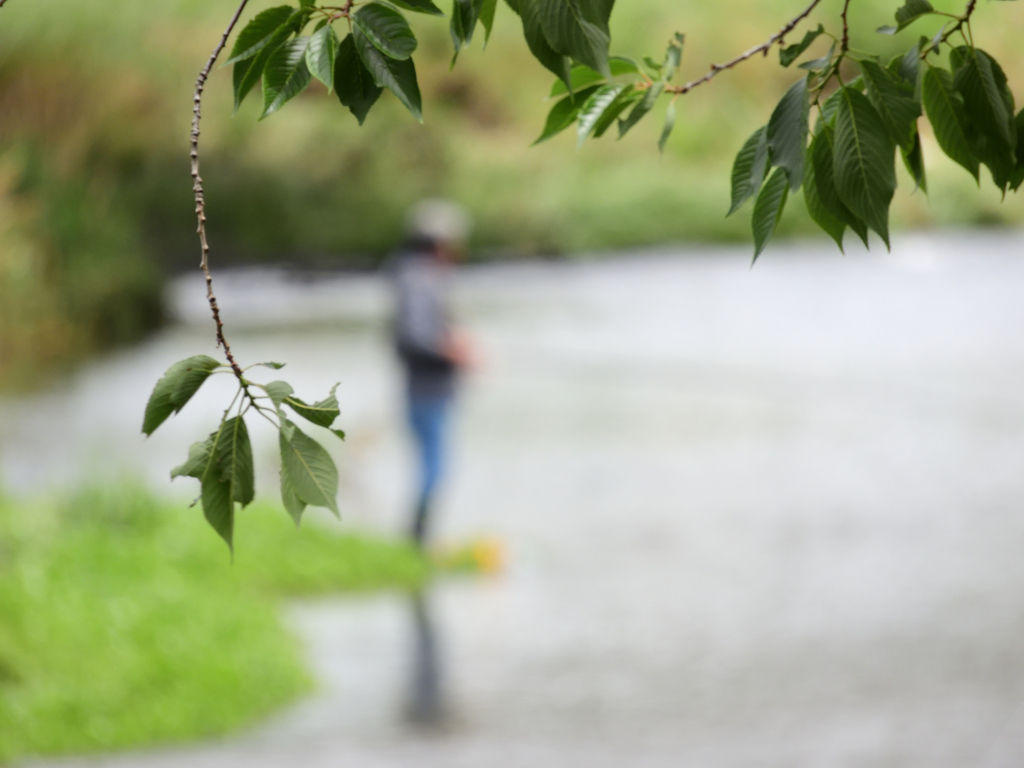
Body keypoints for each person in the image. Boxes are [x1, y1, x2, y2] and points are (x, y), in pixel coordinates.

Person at [391, 199, 474, 547]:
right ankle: (418, 540)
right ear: (439, 243)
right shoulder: (419, 278)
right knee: (435, 467)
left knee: (433, 465)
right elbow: (415, 336)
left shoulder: (412, 274)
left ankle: (420, 539)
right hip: (427, 390)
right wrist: (454, 350)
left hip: (426, 388)